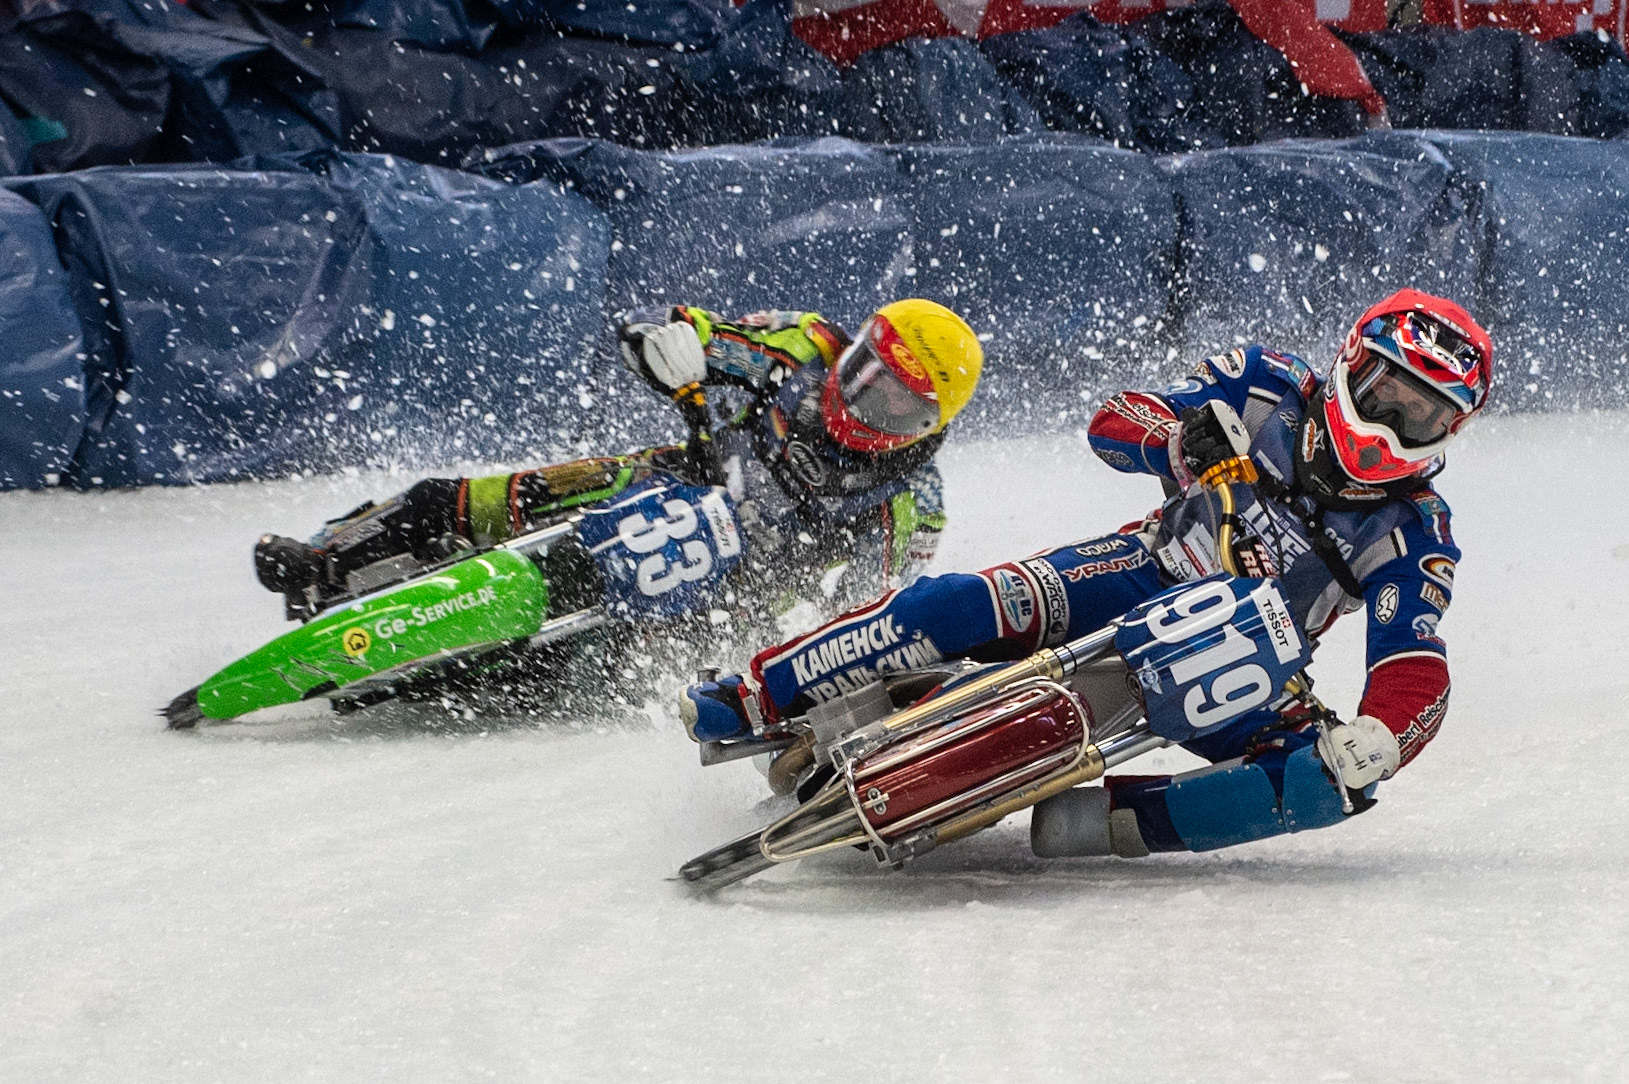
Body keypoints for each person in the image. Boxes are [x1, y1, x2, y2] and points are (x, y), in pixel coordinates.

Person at [682, 289, 1491, 858]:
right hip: (1142, 568)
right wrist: (1174, 444)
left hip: (1252, 660)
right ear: (1354, 362)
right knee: (965, 602)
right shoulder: (1263, 381)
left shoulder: (1415, 530)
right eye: (1388, 392)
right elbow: (1114, 417)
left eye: (1422, 414)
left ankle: (1101, 823)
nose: (1394, 422)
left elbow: (1411, 657)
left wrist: (1381, 739)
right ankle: (754, 691)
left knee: (1330, 786)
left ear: (1451, 428)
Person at [253, 300, 984, 644]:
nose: (859, 398)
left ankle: (472, 662)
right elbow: (691, 333)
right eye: (862, 371)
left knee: (589, 663)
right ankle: (323, 557)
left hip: (731, 597)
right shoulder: (804, 345)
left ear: (927, 421)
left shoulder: (913, 503)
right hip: (675, 475)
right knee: (462, 498)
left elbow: (871, 616)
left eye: (891, 400)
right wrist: (671, 347)